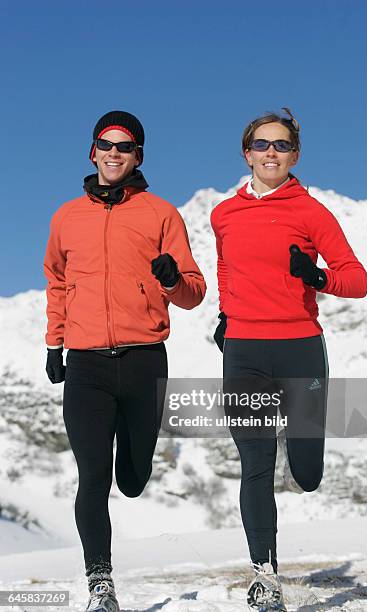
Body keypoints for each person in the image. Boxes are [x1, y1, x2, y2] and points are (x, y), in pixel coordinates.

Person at [44, 110, 206, 612]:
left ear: (138, 156)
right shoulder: (67, 216)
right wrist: (55, 343)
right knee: (92, 475)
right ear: (92, 152)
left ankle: (133, 469)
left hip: (143, 362)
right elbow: (56, 281)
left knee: (131, 480)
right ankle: (101, 585)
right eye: (105, 143)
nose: (114, 152)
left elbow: (194, 293)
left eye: (125, 145)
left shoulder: (162, 214)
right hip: (87, 365)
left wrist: (170, 278)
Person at [210, 108, 367, 611]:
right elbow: (226, 266)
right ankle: (265, 573)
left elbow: (357, 279)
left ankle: (304, 446)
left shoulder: (312, 213)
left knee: (306, 472)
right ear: (246, 152)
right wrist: (226, 312)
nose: (271, 153)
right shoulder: (224, 214)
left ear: (295, 154)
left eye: (281, 145)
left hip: (300, 346)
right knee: (255, 462)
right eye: (262, 144)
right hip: (244, 350)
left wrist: (318, 277)